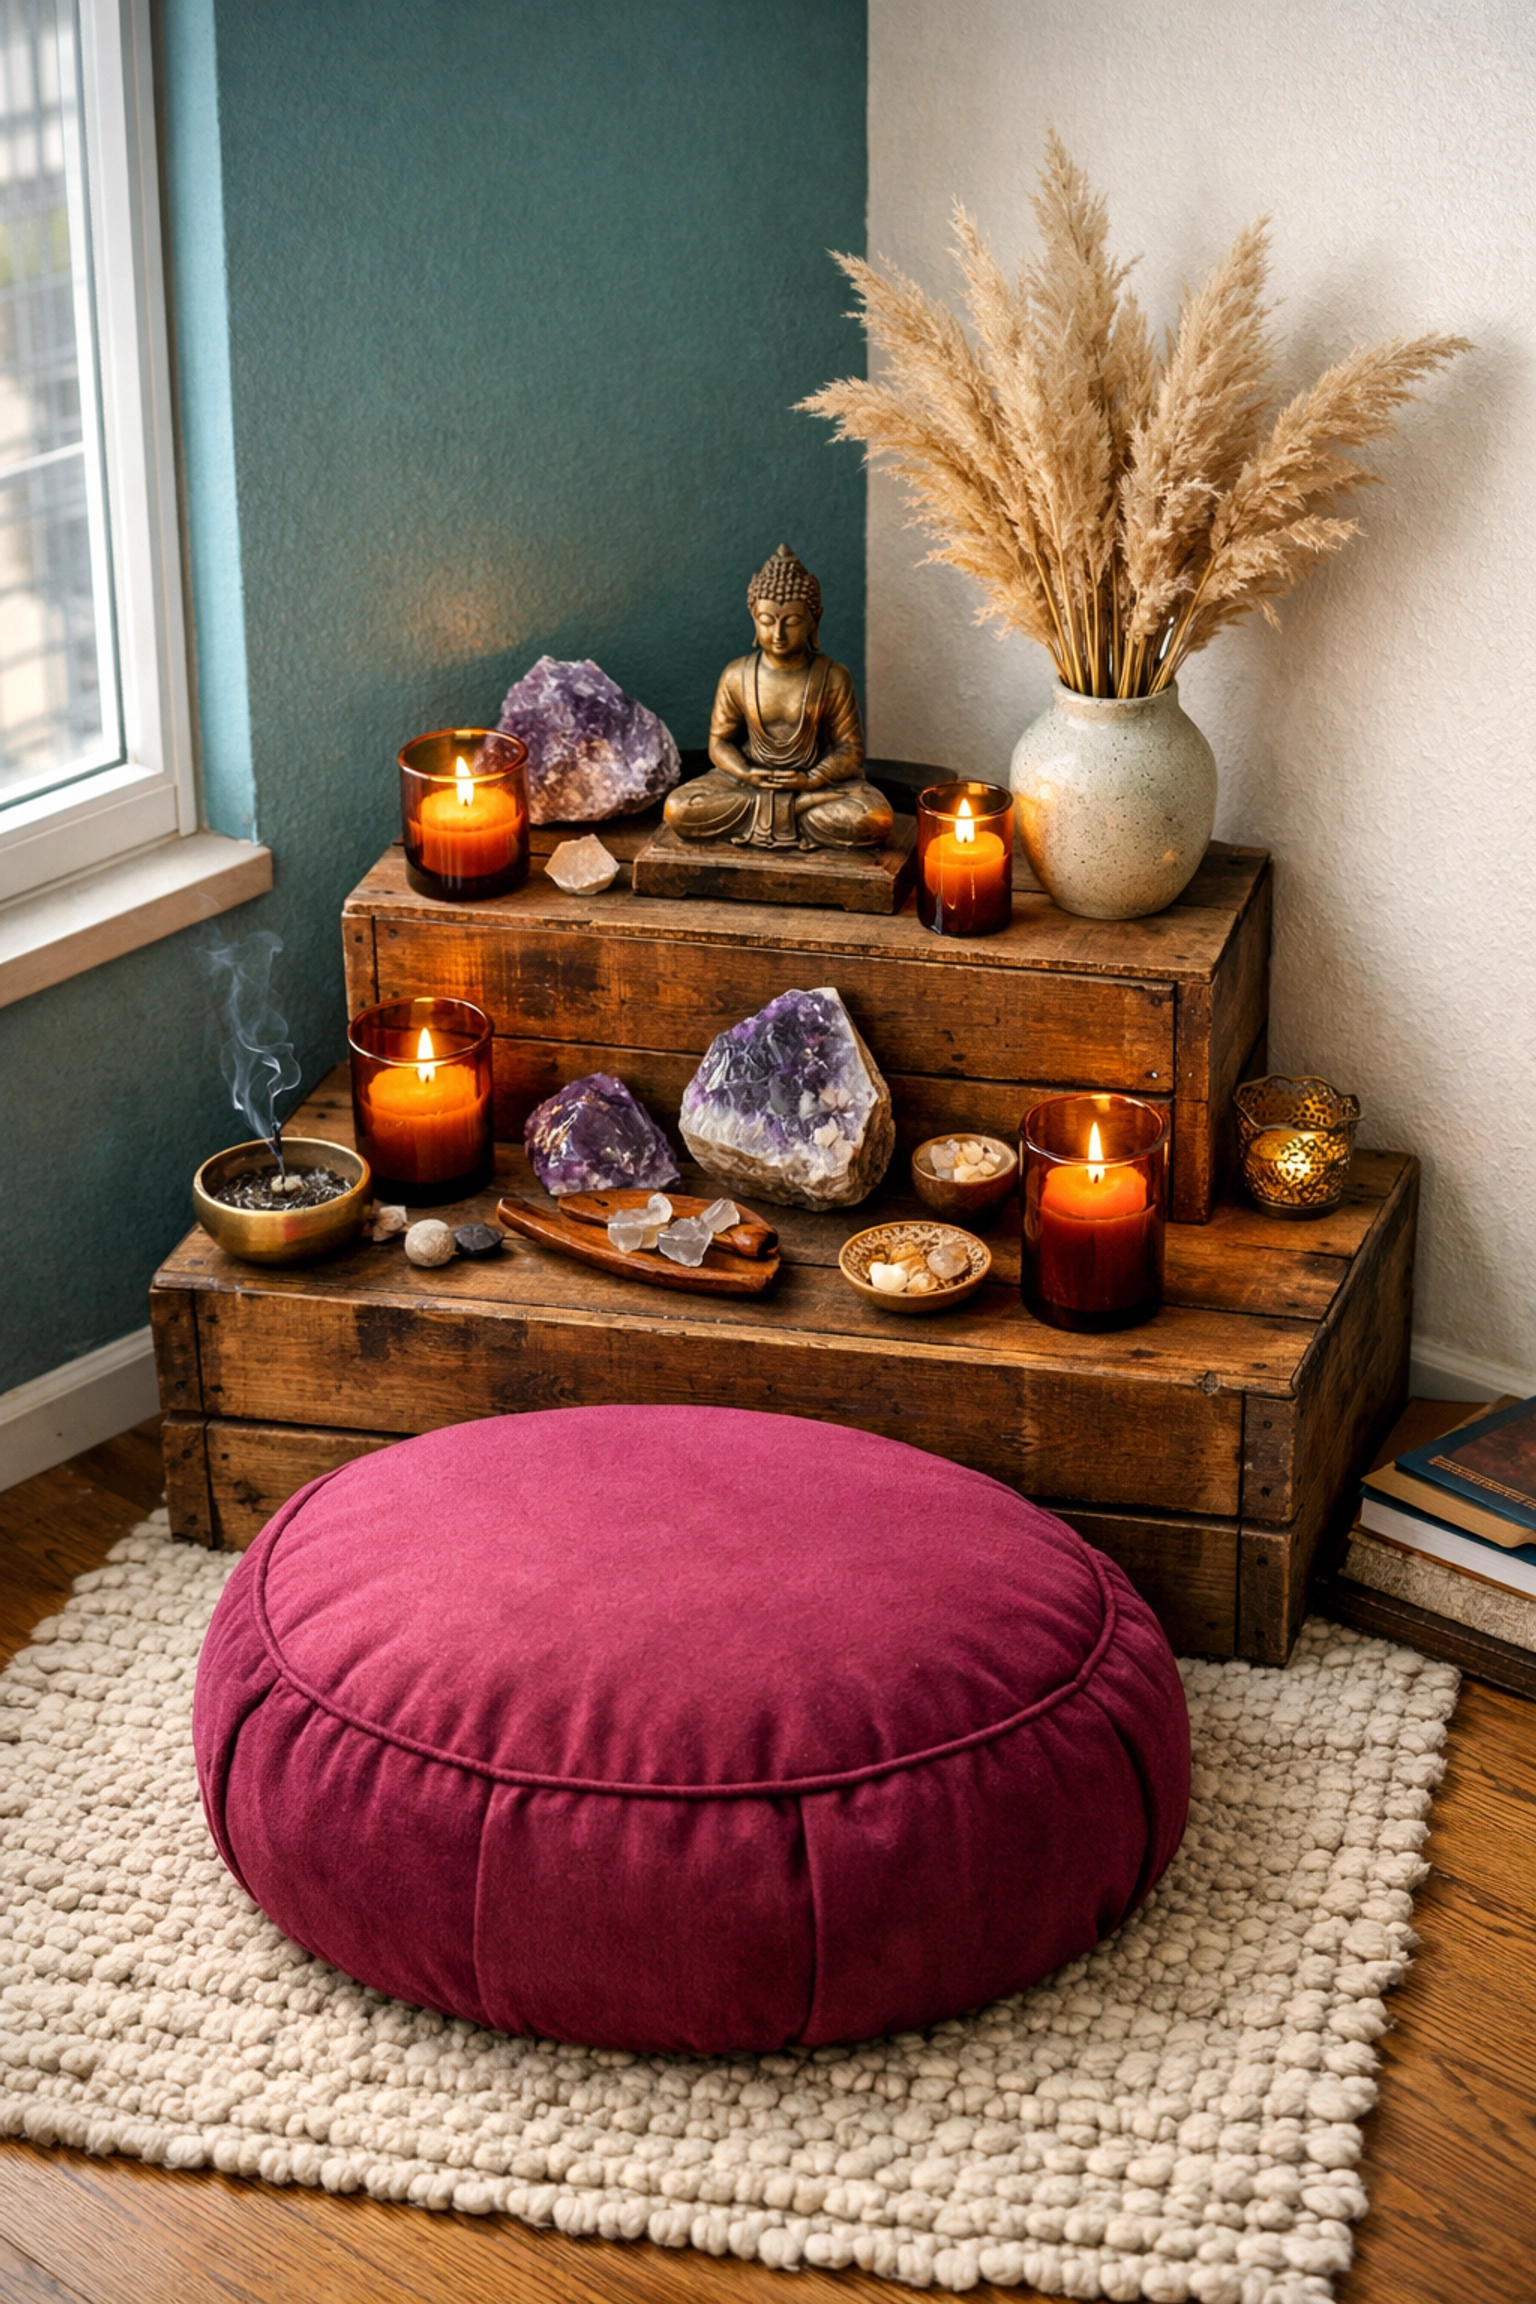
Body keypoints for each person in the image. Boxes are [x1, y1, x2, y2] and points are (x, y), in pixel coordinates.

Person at [664, 545, 893, 851]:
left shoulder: (833, 677)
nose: (778, 634)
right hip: (747, 784)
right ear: (754, 618)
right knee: (679, 809)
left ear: (814, 619)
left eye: (792, 621)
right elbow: (719, 743)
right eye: (768, 620)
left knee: (872, 819)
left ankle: (791, 809)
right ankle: (789, 813)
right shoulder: (736, 675)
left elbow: (850, 749)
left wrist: (811, 779)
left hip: (816, 785)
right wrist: (746, 773)